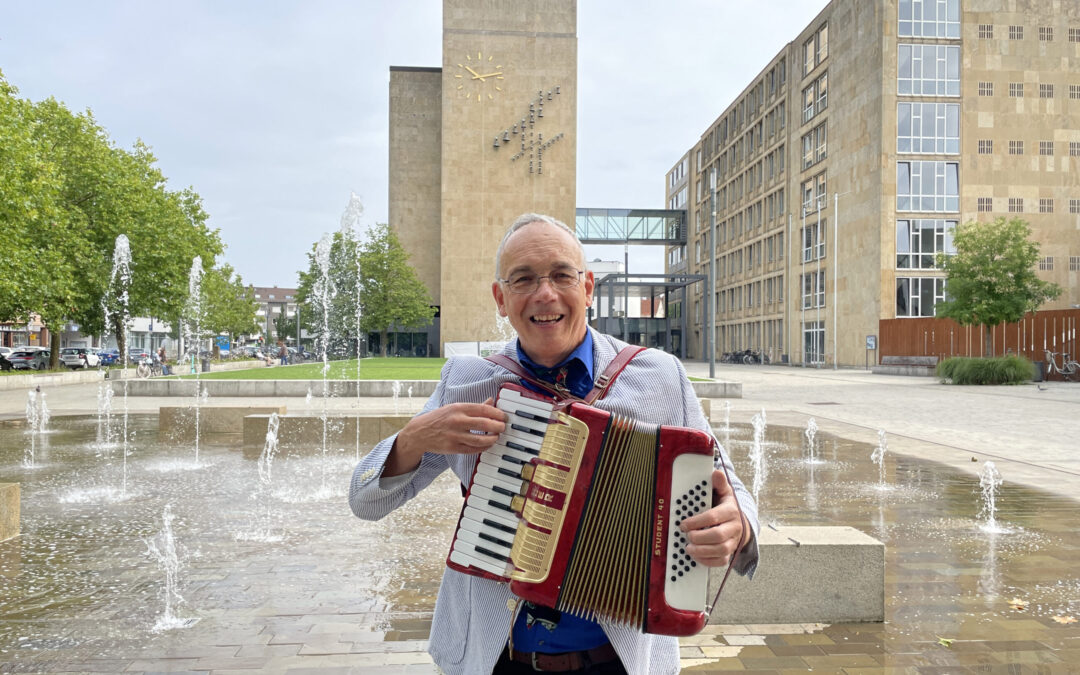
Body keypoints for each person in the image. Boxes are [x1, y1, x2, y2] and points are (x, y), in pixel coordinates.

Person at [349, 213, 758, 675]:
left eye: (562, 275)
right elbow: (364, 501)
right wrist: (414, 438)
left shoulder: (659, 377)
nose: (545, 294)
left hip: (619, 659)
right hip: (495, 656)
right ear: (501, 299)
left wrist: (736, 525)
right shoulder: (465, 382)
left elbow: (734, 491)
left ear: (587, 288)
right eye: (523, 279)